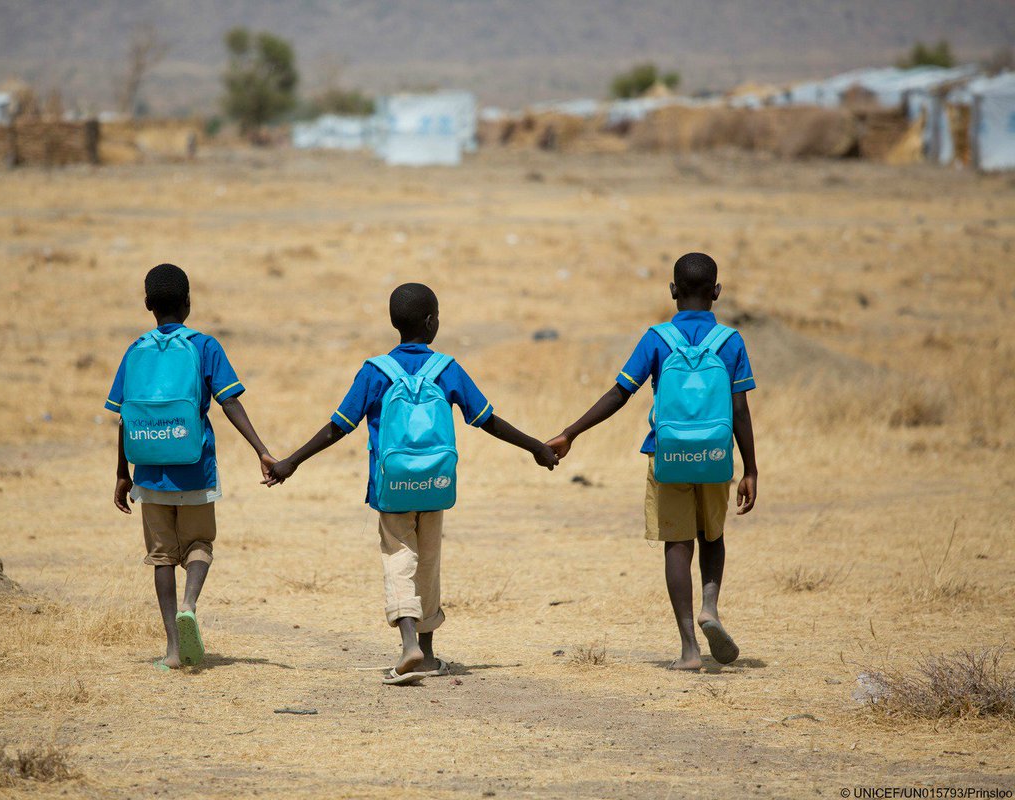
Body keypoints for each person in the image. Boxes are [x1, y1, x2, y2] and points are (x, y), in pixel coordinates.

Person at [265, 283, 559, 683]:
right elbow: (487, 420)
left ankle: (408, 646)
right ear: (431, 322)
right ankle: (427, 653)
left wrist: (292, 462)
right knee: (429, 563)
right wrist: (535, 447)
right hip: (436, 483)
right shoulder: (446, 369)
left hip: (391, 489)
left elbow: (338, 426)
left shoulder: (375, 371)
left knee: (398, 559)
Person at [547, 253, 757, 670]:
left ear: (673, 291)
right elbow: (740, 409)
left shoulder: (657, 339)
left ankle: (689, 649)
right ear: (716, 292)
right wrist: (750, 468)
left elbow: (619, 393)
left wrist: (571, 432)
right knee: (712, 535)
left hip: (668, 456)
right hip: (715, 456)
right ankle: (710, 607)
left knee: (677, 543)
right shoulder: (730, 341)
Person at [105, 263, 275, 669]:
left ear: (148, 304)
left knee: (162, 557)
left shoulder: (135, 350)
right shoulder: (204, 346)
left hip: (149, 469)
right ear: (188, 303)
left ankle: (172, 650)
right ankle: (190, 604)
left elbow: (125, 417)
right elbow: (229, 401)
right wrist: (261, 450)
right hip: (195, 467)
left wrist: (122, 473)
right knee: (200, 543)